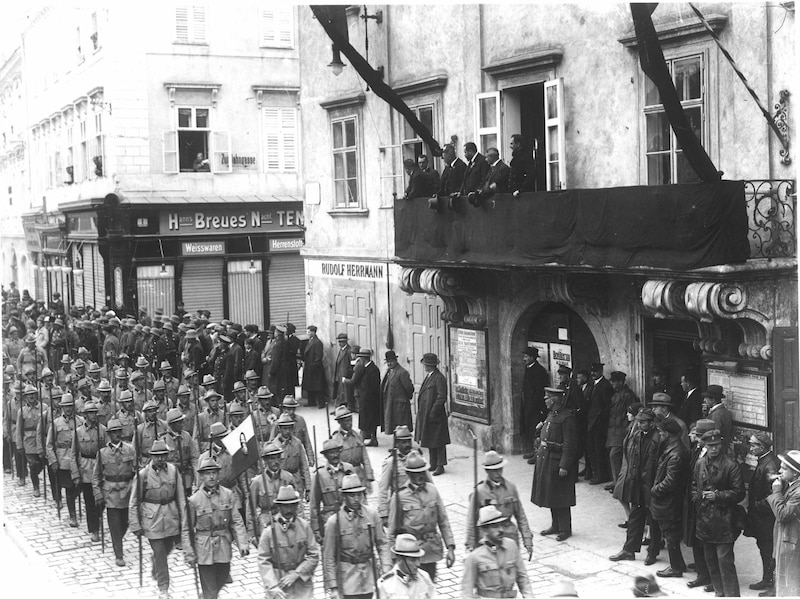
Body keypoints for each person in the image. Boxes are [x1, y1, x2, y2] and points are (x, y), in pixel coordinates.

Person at [183, 455, 249, 599]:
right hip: (203, 549)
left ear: (218, 474)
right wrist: (189, 552)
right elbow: (187, 529)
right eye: (207, 473)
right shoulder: (194, 500)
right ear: (201, 476)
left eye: (214, 472)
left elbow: (236, 521)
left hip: (223, 546)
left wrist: (242, 543)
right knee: (211, 591)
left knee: (222, 578)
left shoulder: (228, 495)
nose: (211, 476)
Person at [387, 449, 455, 582]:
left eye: (422, 471)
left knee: (429, 587)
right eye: (415, 473)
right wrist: (393, 560)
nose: (420, 476)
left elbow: (443, 520)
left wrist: (450, 547)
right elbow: (392, 531)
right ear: (408, 473)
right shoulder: (399, 497)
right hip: (409, 554)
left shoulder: (432, 491)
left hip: (430, 551)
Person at [692, 429, 745, 597]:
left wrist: (718, 496)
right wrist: (697, 497)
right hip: (705, 519)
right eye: (710, 445)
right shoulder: (700, 463)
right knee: (711, 560)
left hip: (724, 520)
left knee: (724, 561)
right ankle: (718, 592)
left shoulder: (731, 466)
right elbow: (694, 485)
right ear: (705, 445)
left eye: (717, 445)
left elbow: (739, 493)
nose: (714, 449)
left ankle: (731, 595)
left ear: (721, 445)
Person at [322, 473, 390, 599]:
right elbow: (328, 557)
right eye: (352, 495)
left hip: (370, 576)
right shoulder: (334, 522)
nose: (356, 499)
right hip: (348, 580)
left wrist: (386, 570)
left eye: (359, 494)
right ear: (344, 496)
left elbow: (382, 543)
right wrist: (333, 587)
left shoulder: (372, 515)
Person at [610, 408, 661, 565]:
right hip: (637, 485)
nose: (639, 424)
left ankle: (652, 553)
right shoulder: (635, 436)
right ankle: (629, 549)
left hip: (652, 487)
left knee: (654, 522)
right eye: (638, 421)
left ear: (651, 423)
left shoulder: (659, 439)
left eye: (643, 422)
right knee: (635, 518)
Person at [531, 387, 579, 541]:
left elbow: (571, 444)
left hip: (558, 461)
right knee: (551, 494)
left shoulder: (567, 417)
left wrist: (564, 465)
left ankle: (565, 529)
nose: (545, 401)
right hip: (547, 459)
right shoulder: (552, 415)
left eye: (547, 398)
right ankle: (555, 525)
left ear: (554, 400)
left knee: (561, 496)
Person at [465, 450, 533, 556]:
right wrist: (470, 545)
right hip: (488, 538)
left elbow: (521, 516)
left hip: (509, 535)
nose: (498, 473)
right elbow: (471, 520)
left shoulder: (511, 488)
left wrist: (527, 540)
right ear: (487, 471)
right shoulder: (480, 491)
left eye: (500, 469)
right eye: (494, 470)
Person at [257, 485, 319, 599]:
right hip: (279, 584)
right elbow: (263, 560)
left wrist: (297, 573)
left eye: (292, 505)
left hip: (301, 584)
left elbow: (314, 555)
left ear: (296, 506)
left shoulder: (304, 526)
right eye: (285, 506)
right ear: (279, 507)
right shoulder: (269, 531)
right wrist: (272, 587)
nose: (289, 510)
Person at [462, 505, 534, 599]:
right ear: (484, 529)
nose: (501, 530)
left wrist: (529, 596)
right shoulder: (474, 557)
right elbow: (466, 591)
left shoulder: (511, 546)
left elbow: (522, 577)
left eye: (502, 524)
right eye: (495, 526)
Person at [93, 417, 137, 567]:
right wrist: (98, 494)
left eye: (119, 431)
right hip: (111, 493)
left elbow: (137, 471)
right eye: (114, 432)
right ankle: (119, 553)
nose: (117, 434)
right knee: (114, 524)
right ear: (109, 434)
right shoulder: (102, 453)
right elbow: (96, 476)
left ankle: (117, 539)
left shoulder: (130, 449)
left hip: (127, 491)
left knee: (125, 523)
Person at [650, 418, 689, 578]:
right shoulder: (674, 449)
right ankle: (679, 564)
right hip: (670, 500)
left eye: (661, 432)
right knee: (670, 532)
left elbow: (670, 481)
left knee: (670, 534)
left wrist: (655, 490)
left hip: (669, 501)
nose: (659, 434)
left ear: (668, 434)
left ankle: (675, 568)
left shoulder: (675, 454)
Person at [745, 432, 780, 594]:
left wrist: (757, 506)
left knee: (768, 550)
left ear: (762, 447)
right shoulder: (764, 461)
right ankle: (767, 579)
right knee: (765, 549)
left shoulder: (769, 465)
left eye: (753, 445)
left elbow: (773, 494)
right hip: (762, 518)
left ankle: (772, 584)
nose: (750, 448)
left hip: (766, 519)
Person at [684, 418, 717, 590]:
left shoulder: (715, 454)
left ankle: (711, 577)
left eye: (698, 435)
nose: (695, 438)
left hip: (709, 505)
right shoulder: (697, 450)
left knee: (708, 542)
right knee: (697, 538)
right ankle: (702, 572)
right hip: (696, 501)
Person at [766, 449, 800, 597]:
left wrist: (776, 492)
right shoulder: (792, 484)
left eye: (784, 468)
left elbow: (783, 515)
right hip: (786, 539)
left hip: (792, 543)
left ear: (795, 473)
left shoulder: (798, 492)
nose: (780, 470)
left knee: (789, 582)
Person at [70, 400, 106, 542]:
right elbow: (73, 454)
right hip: (85, 468)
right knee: (90, 501)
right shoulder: (78, 432)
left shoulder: (102, 430)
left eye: (95, 413)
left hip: (100, 467)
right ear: (85, 415)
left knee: (101, 500)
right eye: (90, 413)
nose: (93, 415)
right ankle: (94, 529)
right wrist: (75, 474)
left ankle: (97, 518)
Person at [45, 392, 81, 527]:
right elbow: (49, 444)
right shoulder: (56, 423)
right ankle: (73, 516)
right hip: (63, 459)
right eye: (66, 406)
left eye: (70, 406)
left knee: (79, 487)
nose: (68, 409)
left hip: (78, 460)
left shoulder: (80, 421)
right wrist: (53, 460)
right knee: (69, 488)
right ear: (62, 407)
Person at [309, 436, 354, 543]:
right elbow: (314, 504)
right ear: (325, 456)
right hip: (328, 520)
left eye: (337, 452)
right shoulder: (320, 474)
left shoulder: (349, 469)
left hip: (349, 518)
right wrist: (315, 530)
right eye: (331, 453)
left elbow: (359, 495)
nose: (335, 455)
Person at [247, 441, 295, 541]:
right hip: (266, 521)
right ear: (265, 460)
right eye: (272, 458)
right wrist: (252, 533)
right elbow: (251, 510)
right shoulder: (257, 482)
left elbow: (296, 504)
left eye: (278, 457)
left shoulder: (288, 478)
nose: (276, 461)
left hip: (285, 520)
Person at [415, 352, 449, 475]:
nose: (424, 366)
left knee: (439, 441)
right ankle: (433, 463)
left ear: (431, 365)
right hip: (427, 414)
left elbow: (441, 397)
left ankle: (440, 465)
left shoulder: (439, 378)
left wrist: (434, 412)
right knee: (430, 439)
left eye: (426, 364)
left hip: (436, 415)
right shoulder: (430, 376)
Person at [376, 533, 435, 599]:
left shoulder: (424, 578)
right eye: (412, 560)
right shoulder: (385, 584)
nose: (418, 564)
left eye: (418, 559)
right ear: (400, 559)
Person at [606, 371, 638, 491]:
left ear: (620, 382)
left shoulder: (628, 395)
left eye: (614, 382)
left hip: (622, 431)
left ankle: (619, 483)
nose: (612, 384)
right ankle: (616, 481)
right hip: (614, 430)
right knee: (614, 457)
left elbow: (632, 412)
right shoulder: (617, 394)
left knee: (614, 455)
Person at [331, 405, 374, 492]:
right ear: (340, 422)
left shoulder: (357, 436)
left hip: (359, 476)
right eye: (346, 421)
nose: (350, 423)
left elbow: (365, 458)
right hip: (344, 476)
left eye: (350, 420)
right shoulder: (335, 439)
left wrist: (369, 477)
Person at [270, 415, 310, 507]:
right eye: (284, 428)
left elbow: (304, 465)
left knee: (298, 509)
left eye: (289, 428)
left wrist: (308, 488)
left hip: (296, 481)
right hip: (281, 482)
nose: (287, 431)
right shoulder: (274, 445)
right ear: (279, 429)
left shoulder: (297, 443)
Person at [586, 362, 613, 485]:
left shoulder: (605, 386)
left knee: (599, 450)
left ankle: (602, 475)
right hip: (591, 423)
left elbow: (607, 407)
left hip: (599, 424)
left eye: (595, 371)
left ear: (601, 371)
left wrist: (600, 421)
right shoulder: (593, 384)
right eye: (592, 371)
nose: (593, 373)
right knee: (593, 449)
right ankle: (595, 472)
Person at [521, 347, 548, 463]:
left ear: (532, 357)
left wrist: (533, 406)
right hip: (527, 404)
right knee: (529, 428)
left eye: (526, 357)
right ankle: (532, 451)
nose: (524, 359)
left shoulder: (539, 371)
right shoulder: (528, 369)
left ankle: (536, 454)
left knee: (535, 430)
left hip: (535, 406)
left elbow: (538, 391)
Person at [164, 407, 199, 498]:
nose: (182, 424)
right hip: (171, 477)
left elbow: (194, 457)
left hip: (186, 475)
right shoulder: (164, 439)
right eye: (179, 422)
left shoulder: (186, 436)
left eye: (182, 421)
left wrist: (197, 479)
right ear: (172, 424)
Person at [16, 384, 44, 496]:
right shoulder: (22, 411)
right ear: (25, 397)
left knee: (41, 465)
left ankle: (36, 473)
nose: (31, 396)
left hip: (42, 440)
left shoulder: (44, 408)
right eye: (29, 395)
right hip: (29, 441)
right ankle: (36, 487)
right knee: (32, 465)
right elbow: (19, 429)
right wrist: (19, 445)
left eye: (33, 394)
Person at [352, 348, 381, 446]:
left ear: (363, 359)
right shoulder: (366, 368)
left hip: (370, 400)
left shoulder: (373, 370)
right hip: (366, 399)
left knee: (369, 420)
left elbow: (373, 386)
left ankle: (369, 439)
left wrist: (366, 396)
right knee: (367, 419)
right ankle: (370, 438)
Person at [380, 350, 414, 434]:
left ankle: (402, 444)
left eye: (391, 361)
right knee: (394, 426)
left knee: (401, 427)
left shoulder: (402, 372)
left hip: (400, 405)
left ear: (396, 361)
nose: (389, 364)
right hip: (391, 404)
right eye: (388, 362)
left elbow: (409, 388)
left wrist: (403, 399)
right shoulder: (389, 372)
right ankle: (396, 444)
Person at [301, 325, 326, 409]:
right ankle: (311, 401)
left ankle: (321, 403)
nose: (307, 333)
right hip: (309, 367)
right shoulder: (310, 341)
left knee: (318, 386)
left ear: (313, 332)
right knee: (310, 385)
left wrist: (314, 365)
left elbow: (319, 356)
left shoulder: (317, 342)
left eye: (309, 332)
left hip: (315, 368)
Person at [703, 385, 733, 455]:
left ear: (713, 400)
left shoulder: (716, 415)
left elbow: (715, 435)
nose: (704, 400)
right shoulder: (724, 411)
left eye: (706, 398)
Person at [332, 332, 353, 408]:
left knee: (345, 392)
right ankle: (340, 407)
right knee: (339, 391)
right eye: (339, 342)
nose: (340, 343)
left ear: (346, 342)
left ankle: (345, 407)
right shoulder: (341, 350)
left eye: (342, 342)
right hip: (339, 373)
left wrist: (348, 373)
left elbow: (351, 364)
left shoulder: (349, 350)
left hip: (345, 374)